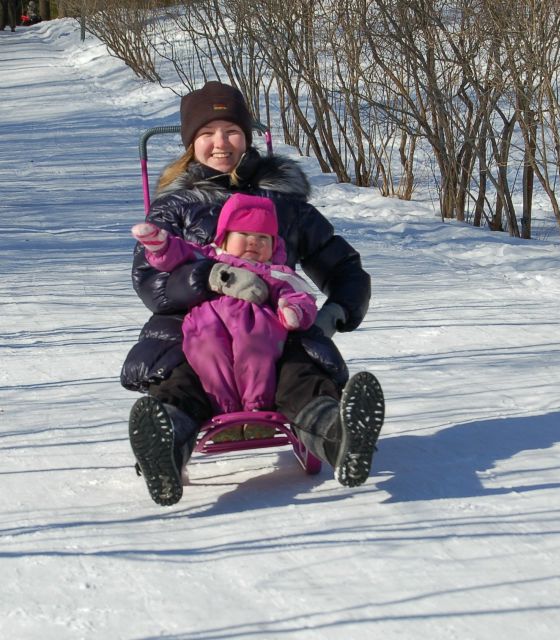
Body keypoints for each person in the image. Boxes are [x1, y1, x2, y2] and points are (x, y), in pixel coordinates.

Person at [121, 81, 385, 506]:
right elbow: (150, 281)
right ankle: (165, 446)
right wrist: (208, 278)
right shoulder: (176, 208)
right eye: (206, 133)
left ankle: (338, 437)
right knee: (181, 381)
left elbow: (343, 266)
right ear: (192, 143)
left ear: (246, 137)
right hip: (195, 329)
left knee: (302, 377)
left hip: (274, 327)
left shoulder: (285, 205)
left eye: (231, 131)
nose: (219, 143)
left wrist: (334, 312)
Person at [131, 193, 317, 415]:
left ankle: (256, 407)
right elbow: (179, 254)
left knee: (255, 353)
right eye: (244, 234)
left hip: (257, 323)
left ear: (274, 245)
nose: (254, 242)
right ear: (224, 237)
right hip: (206, 321)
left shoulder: (275, 271)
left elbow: (301, 294)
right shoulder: (209, 256)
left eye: (263, 238)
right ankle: (224, 410)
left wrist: (293, 310)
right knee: (208, 354)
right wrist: (161, 246)